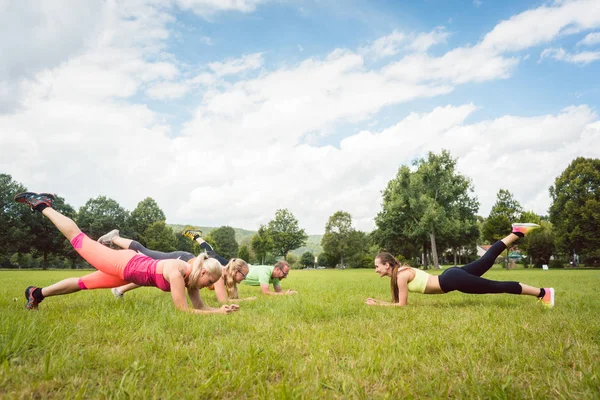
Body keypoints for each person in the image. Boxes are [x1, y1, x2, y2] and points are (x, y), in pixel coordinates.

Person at [15, 192, 238, 314]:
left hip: (129, 272)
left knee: (82, 283)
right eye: (212, 280)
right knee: (78, 238)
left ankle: (36, 294)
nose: (210, 285)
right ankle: (43, 205)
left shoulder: (191, 279)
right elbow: (185, 311)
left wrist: (222, 309)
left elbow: (199, 307)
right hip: (123, 264)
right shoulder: (178, 271)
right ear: (203, 272)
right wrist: (217, 313)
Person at [366, 223, 555, 307]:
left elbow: (402, 305)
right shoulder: (402, 271)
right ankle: (517, 232)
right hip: (451, 276)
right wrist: (380, 303)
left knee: (495, 286)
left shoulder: (400, 276)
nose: (376, 270)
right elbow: (397, 303)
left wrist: (377, 305)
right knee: (486, 260)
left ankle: (543, 293)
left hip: (453, 279)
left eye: (377, 266)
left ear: (388, 265)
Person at [98, 228, 255, 303]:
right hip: (182, 259)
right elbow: (222, 302)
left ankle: (119, 289)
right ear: (236, 271)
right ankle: (115, 238)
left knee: (152, 277)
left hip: (189, 260)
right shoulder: (219, 273)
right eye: (244, 275)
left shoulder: (222, 270)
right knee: (144, 253)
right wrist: (248, 300)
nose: (245, 278)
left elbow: (208, 249)